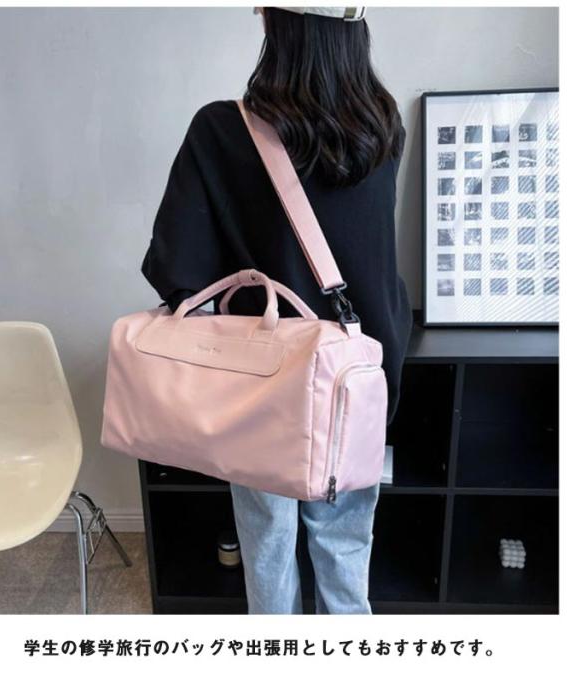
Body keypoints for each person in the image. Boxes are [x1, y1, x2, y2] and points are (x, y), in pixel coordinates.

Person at [141, 6, 412, 614]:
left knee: (266, 543)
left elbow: (177, 271)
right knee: (345, 549)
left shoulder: (221, 130)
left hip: (262, 387)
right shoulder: (383, 124)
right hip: (358, 377)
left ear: (271, 23)